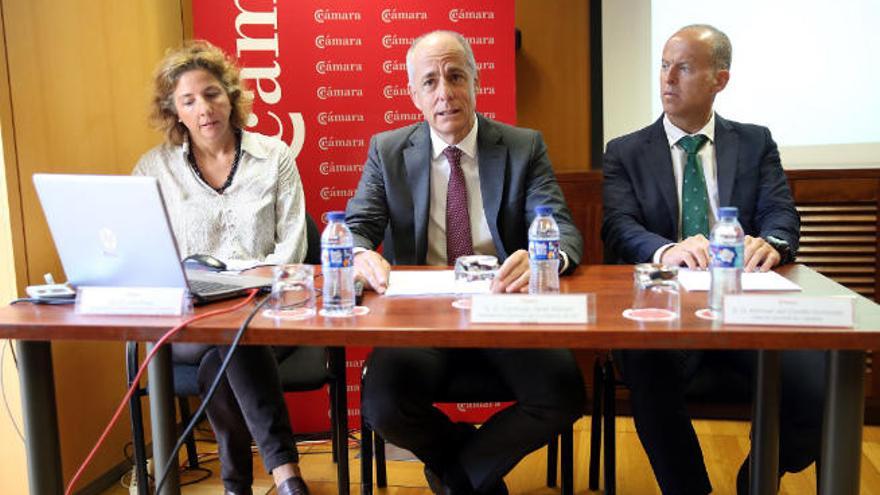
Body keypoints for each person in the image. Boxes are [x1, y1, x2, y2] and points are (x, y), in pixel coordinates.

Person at [347, 30, 586, 494]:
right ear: (413, 93)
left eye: (456, 76)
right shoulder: (388, 150)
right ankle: (470, 468)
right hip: (421, 315)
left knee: (562, 395)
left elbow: (562, 229)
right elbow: (360, 224)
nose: (446, 93)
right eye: (431, 82)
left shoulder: (522, 146)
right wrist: (356, 253)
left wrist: (546, 258)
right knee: (384, 405)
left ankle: (457, 478)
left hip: (506, 309)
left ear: (476, 80)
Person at [601, 25, 825, 494]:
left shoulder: (754, 141)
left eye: (683, 68)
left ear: (719, 80)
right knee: (647, 372)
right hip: (667, 310)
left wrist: (775, 242)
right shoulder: (625, 151)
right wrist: (668, 248)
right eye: (664, 65)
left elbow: (781, 213)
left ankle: (758, 476)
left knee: (817, 387)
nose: (668, 78)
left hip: (746, 309)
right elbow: (619, 226)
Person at [133, 41, 309, 495]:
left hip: (265, 313)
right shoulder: (153, 169)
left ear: (231, 97)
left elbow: (291, 250)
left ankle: (237, 484)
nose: (204, 108)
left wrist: (241, 286)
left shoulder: (275, 158)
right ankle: (288, 477)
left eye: (211, 93)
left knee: (226, 348)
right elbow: (144, 256)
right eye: (188, 100)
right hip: (187, 320)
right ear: (174, 112)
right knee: (226, 337)